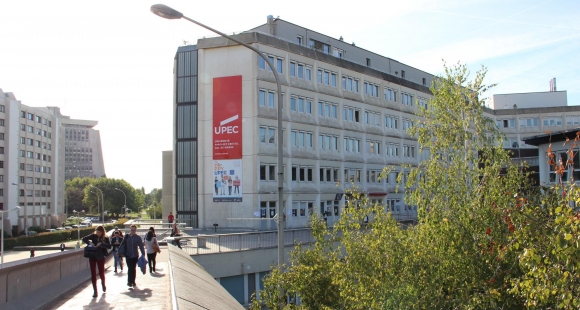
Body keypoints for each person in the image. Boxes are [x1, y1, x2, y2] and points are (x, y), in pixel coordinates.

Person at [82, 226, 111, 298]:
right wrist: (90, 243)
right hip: (92, 256)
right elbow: (84, 239)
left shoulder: (105, 238)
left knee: (101, 272)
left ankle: (103, 284)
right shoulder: (93, 236)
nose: (98, 234)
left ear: (102, 232)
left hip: (101, 256)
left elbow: (109, 246)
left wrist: (101, 244)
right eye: (97, 232)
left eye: (100, 232)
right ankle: (95, 291)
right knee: (93, 273)